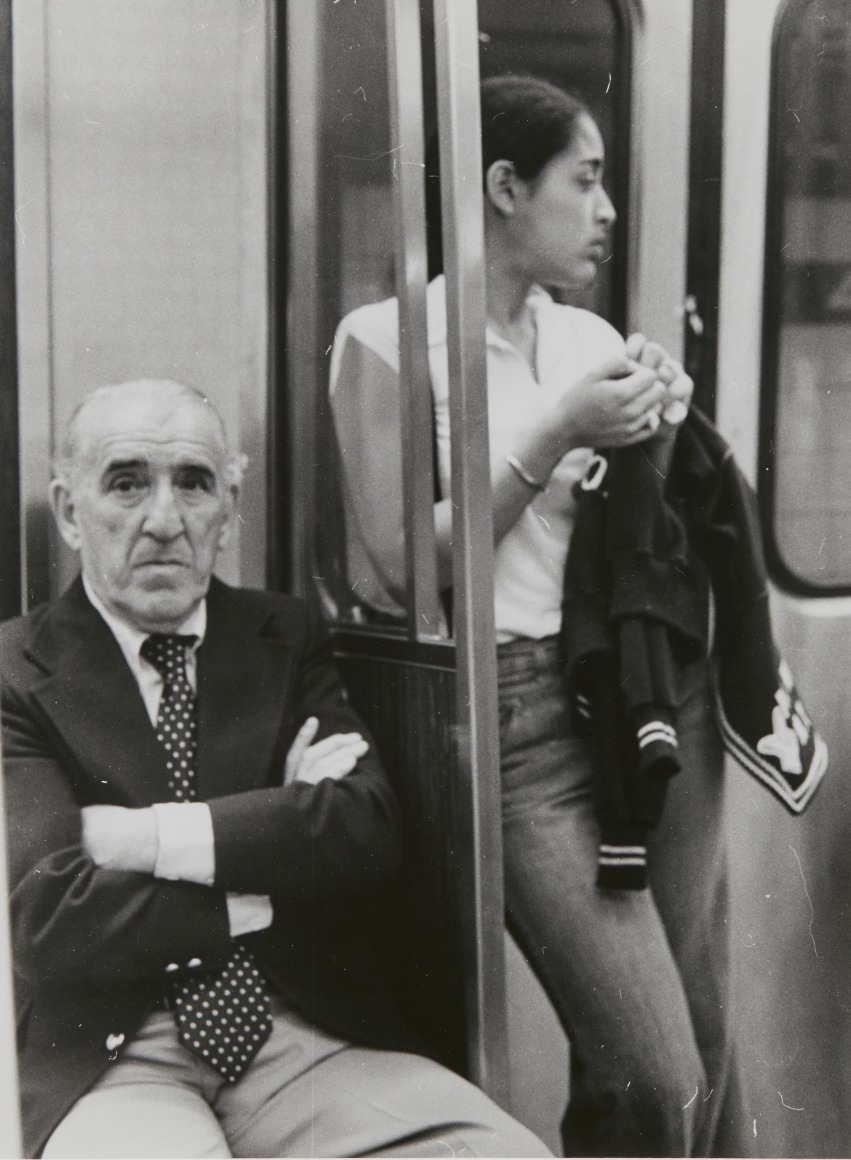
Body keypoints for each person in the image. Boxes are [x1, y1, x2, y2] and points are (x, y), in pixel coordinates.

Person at [331, 76, 749, 1156]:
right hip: (510, 719)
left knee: (694, 1038)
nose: (606, 210)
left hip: (629, 696)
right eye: (587, 178)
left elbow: (628, 532)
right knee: (658, 1069)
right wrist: (552, 429)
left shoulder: (587, 334)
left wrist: (659, 416)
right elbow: (393, 573)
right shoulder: (383, 342)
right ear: (504, 185)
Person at [0, 378, 550, 1159]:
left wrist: (139, 838)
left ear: (229, 509)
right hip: (117, 1057)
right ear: (68, 512)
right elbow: (47, 919)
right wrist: (266, 859)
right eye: (126, 483)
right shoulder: (14, 673)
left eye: (193, 484)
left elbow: (362, 831)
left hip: (298, 1037)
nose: (163, 520)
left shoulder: (282, 636)